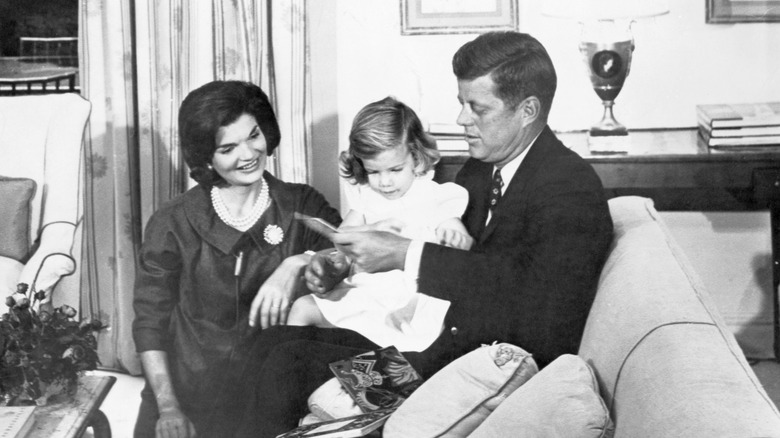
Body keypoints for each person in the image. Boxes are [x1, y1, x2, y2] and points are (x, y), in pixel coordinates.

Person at [240, 31, 614, 438]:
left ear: (527, 110)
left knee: (285, 363)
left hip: (446, 375)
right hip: (427, 350)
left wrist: (406, 254)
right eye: (461, 104)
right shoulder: (482, 169)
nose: (462, 119)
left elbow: (537, 305)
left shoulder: (568, 187)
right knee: (269, 344)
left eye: (478, 108)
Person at [131, 80, 360, 437]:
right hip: (187, 396)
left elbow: (350, 254)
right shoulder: (171, 221)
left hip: (269, 398)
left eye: (253, 135)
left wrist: (296, 263)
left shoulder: (301, 204)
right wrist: (169, 406)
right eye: (228, 147)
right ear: (207, 157)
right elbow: (150, 324)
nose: (248, 153)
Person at [288, 96, 472, 353]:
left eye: (395, 170)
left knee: (399, 340)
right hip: (364, 290)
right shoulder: (366, 197)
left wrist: (455, 235)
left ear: (416, 159)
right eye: (374, 172)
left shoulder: (431, 195)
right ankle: (298, 368)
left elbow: (457, 234)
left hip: (406, 299)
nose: (384, 182)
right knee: (302, 307)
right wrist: (373, 229)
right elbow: (342, 237)